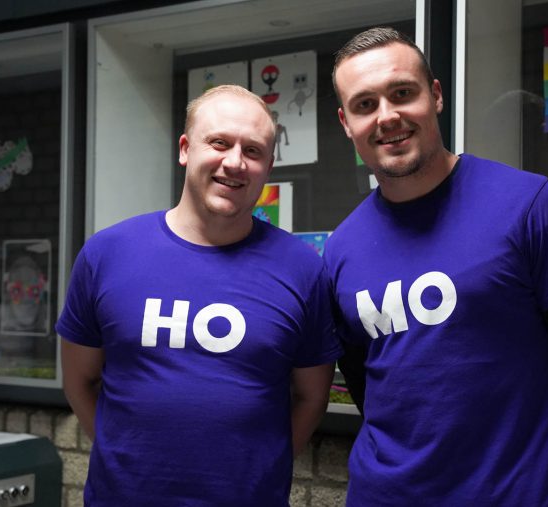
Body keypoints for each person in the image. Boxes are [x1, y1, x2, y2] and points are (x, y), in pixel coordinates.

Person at [325, 27, 548, 506]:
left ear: (435, 95)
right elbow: (364, 382)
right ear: (347, 122)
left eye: (402, 93)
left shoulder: (530, 206)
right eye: (365, 104)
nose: (387, 116)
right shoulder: (341, 248)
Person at [57, 85, 341, 506]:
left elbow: (312, 397)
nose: (235, 162)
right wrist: (123, 456)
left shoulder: (302, 269)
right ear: (185, 149)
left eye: (253, 151)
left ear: (268, 166)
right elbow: (78, 381)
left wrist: (263, 470)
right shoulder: (107, 254)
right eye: (219, 143)